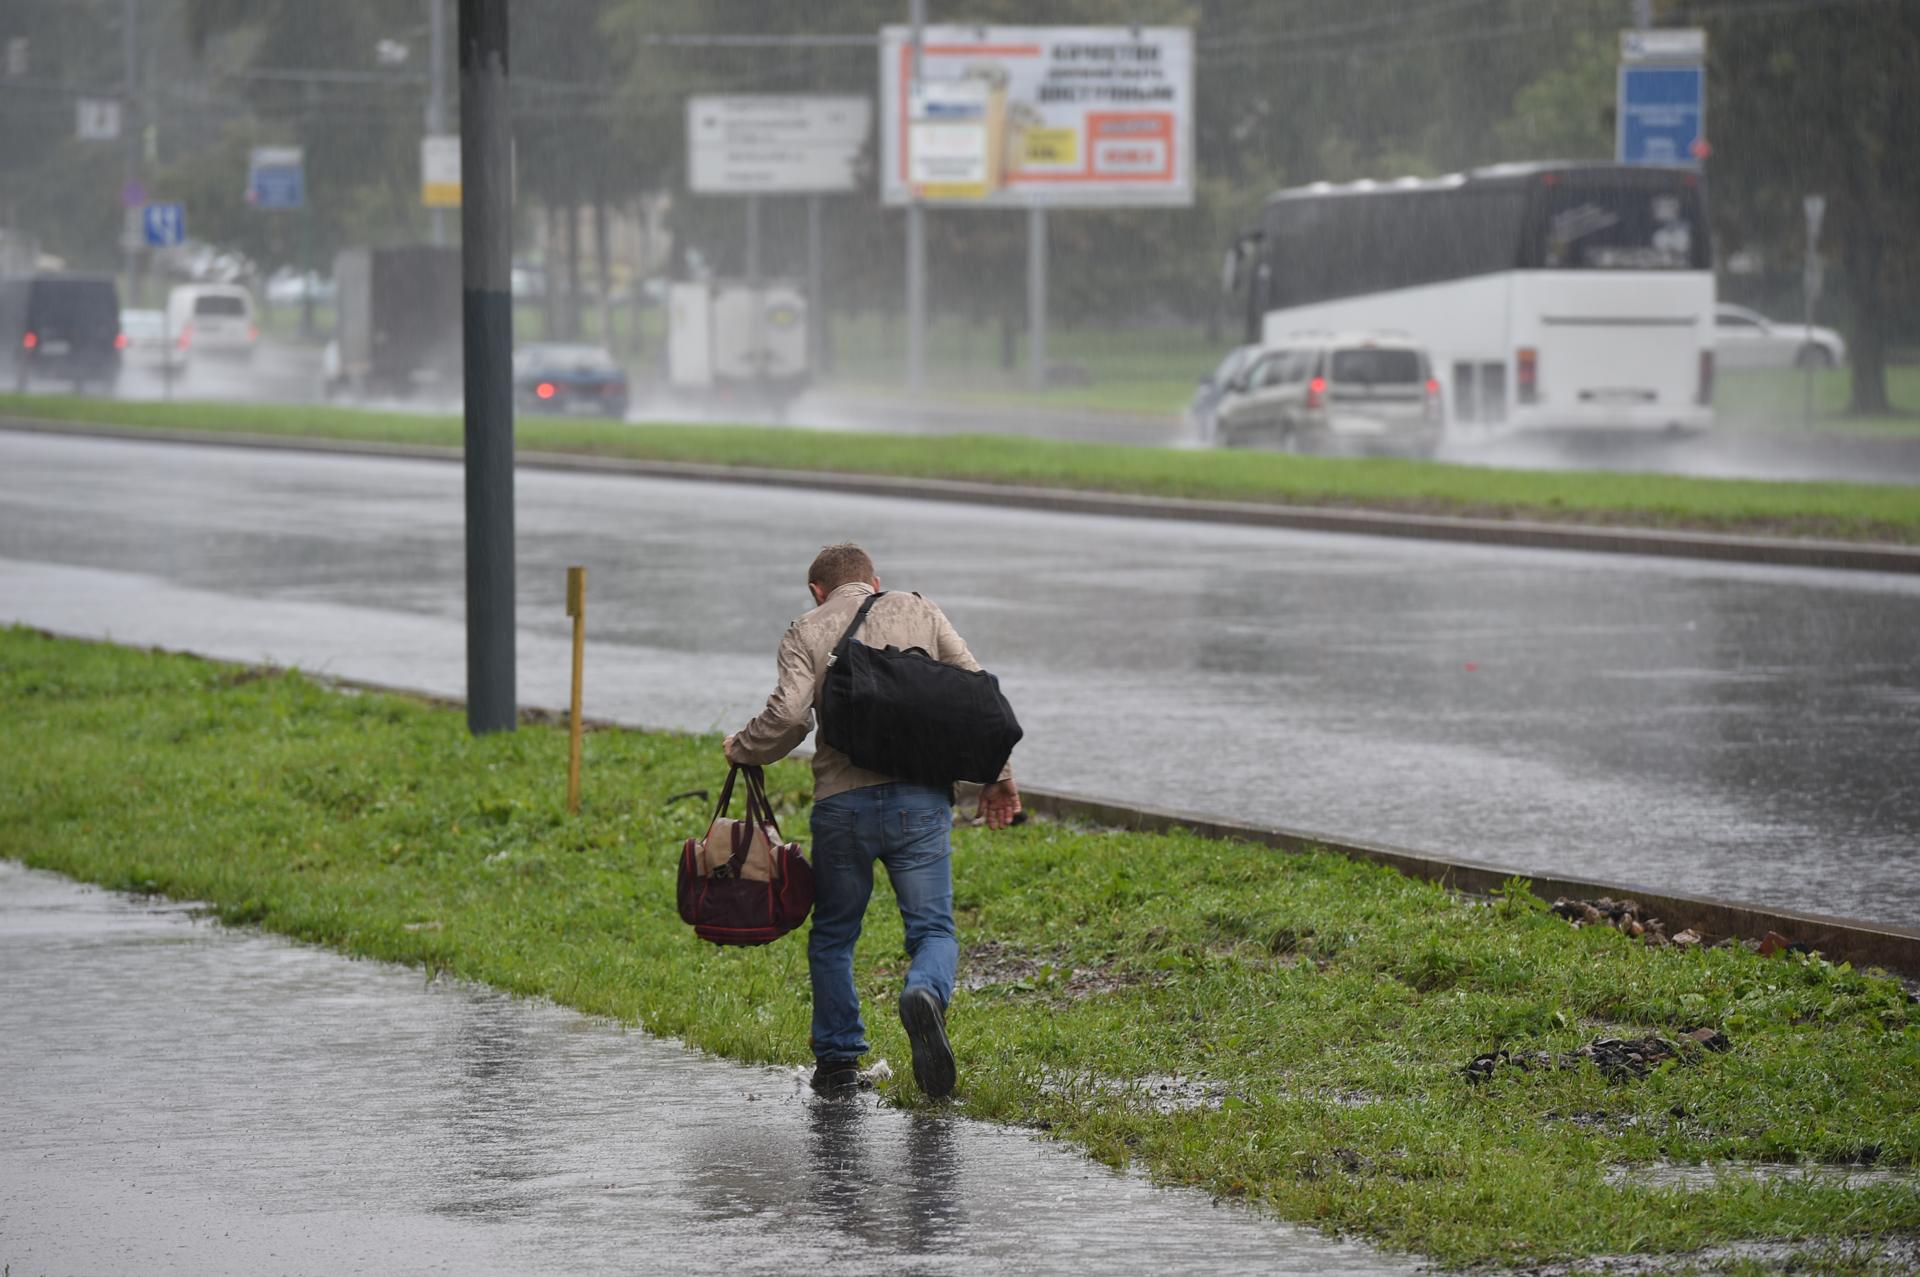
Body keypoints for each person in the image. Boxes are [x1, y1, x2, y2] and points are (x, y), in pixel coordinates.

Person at [724, 543, 1021, 1100]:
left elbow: (788, 716)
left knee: (835, 934)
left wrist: (744, 748)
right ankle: (925, 993)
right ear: (874, 581)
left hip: (843, 809)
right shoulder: (920, 610)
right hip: (921, 804)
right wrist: (999, 774)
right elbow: (980, 698)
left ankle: (837, 1063)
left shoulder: (806, 629)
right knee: (933, 929)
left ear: (818, 590)